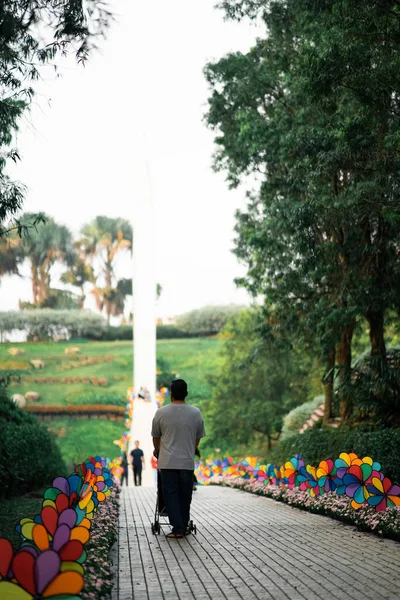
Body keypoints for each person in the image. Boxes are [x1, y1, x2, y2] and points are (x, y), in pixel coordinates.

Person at [151, 378, 206, 539]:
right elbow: (198, 437)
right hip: (186, 462)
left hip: (167, 462)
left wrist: (157, 449)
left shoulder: (161, 412)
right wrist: (191, 448)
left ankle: (178, 528)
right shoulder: (195, 412)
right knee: (185, 495)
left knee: (171, 495)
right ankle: (183, 524)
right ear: (186, 394)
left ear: (171, 394)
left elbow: (156, 436)